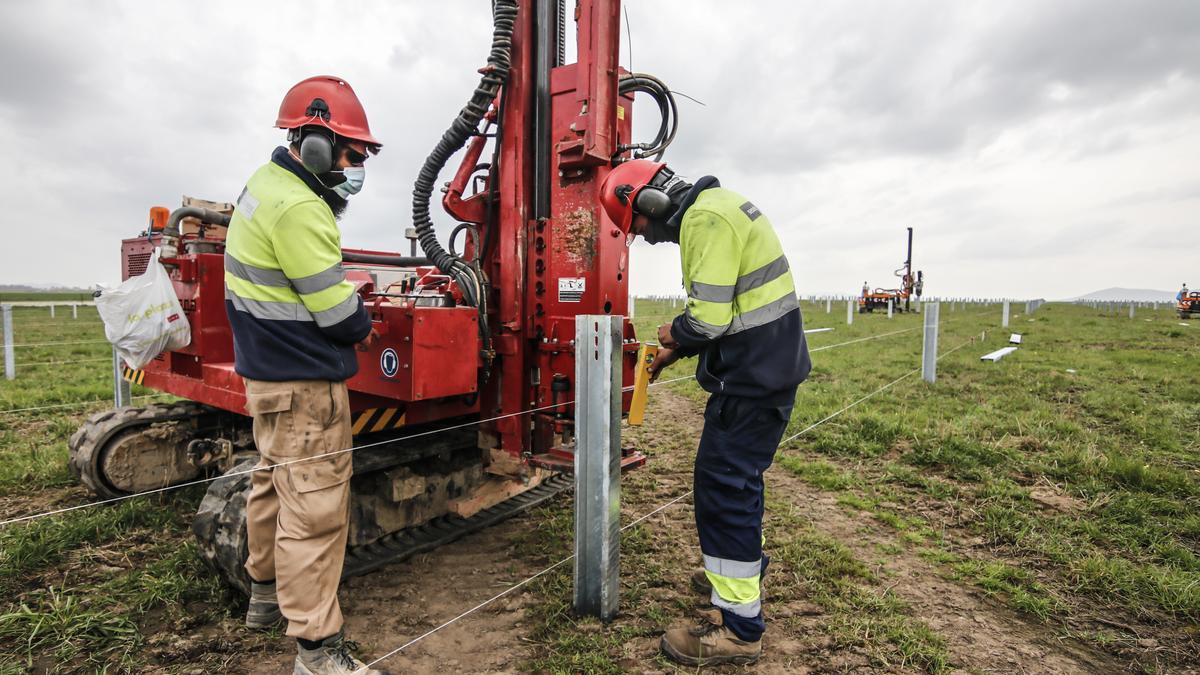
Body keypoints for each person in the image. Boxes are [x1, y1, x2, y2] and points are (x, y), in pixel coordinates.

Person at [600, 159, 811, 666]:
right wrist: (681, 351)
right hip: (764, 373)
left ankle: (740, 629)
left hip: (750, 383)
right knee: (741, 482)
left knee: (723, 491)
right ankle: (741, 568)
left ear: (649, 202)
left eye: (642, 228)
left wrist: (677, 334)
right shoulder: (719, 206)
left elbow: (709, 319)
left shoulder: (704, 221)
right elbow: (734, 309)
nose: (648, 239)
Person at [224, 75, 388, 675]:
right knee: (315, 513)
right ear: (314, 144)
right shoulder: (300, 207)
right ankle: (318, 652)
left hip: (268, 377)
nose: (357, 168)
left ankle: (265, 597)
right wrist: (361, 321)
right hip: (304, 383)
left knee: (272, 484)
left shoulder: (263, 187)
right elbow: (339, 312)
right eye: (352, 154)